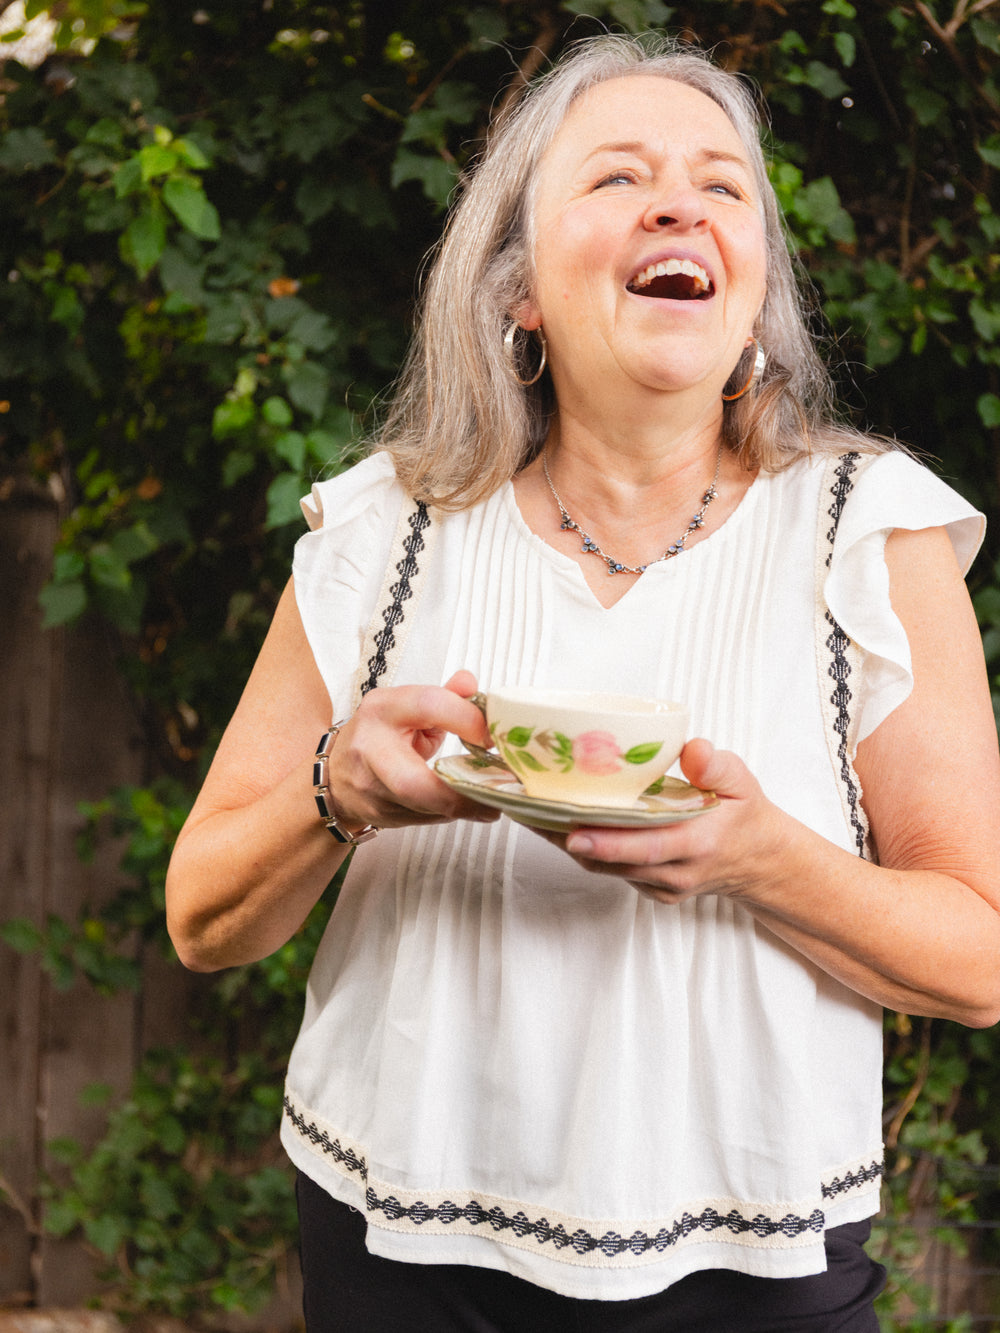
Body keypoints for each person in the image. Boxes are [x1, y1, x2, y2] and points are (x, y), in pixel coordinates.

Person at [165, 32, 1000, 1332]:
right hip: (403, 1252)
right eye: (619, 177)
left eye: (723, 186)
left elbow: (981, 955)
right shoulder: (383, 533)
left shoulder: (867, 533)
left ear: (755, 285)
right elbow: (202, 917)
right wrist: (342, 789)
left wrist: (755, 857)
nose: (681, 202)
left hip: (760, 1258)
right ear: (517, 289)